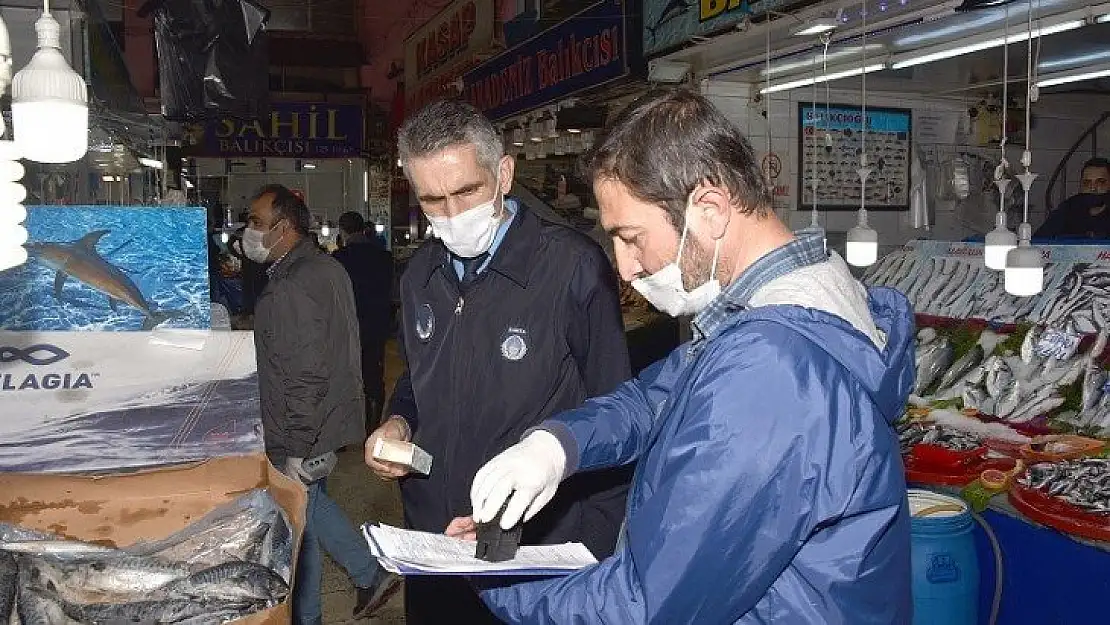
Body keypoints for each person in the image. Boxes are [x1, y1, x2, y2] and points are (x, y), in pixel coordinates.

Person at [464, 89, 915, 624]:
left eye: (631, 237)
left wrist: (491, 575)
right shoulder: (797, 301)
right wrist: (555, 447)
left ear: (710, 209)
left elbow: (648, 607)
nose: (624, 267)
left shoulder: (771, 368)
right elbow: (657, 396)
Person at [364, 99, 633, 625]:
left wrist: (598, 551)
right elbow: (418, 382)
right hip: (435, 543)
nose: (451, 214)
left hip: (532, 546)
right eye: (432, 200)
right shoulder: (420, 275)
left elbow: (615, 409)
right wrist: (398, 422)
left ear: (504, 173)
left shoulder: (572, 268)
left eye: (466, 191)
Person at [245, 184, 399, 625]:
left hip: (304, 428)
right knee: (307, 516)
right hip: (328, 422)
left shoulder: (291, 286)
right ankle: (362, 576)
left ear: (285, 227)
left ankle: (357, 579)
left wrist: (295, 444)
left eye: (257, 221)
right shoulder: (324, 268)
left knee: (302, 516)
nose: (248, 231)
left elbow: (303, 375)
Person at [332, 211, 394, 429]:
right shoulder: (383, 257)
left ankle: (346, 431)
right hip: (376, 325)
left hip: (347, 327)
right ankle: (372, 427)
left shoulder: (338, 260)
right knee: (373, 375)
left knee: (345, 377)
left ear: (342, 230)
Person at [1035, 157, 1110, 239]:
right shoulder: (1068, 208)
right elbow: (1039, 240)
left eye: (1100, 182)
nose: (1093, 188)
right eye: (1087, 183)